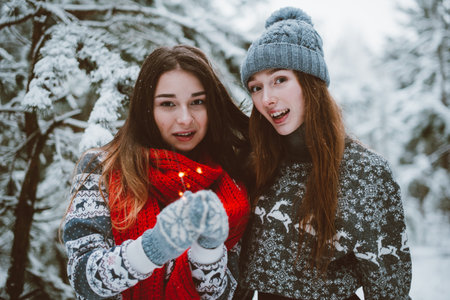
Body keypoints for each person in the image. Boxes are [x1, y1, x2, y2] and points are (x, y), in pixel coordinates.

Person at [235, 7, 412, 300]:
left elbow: (389, 291)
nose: (266, 99)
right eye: (256, 87)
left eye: (280, 79)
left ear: (310, 82)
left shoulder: (365, 173)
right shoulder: (255, 165)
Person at [62, 45, 252, 299]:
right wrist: (153, 248)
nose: (185, 118)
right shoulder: (102, 168)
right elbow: (83, 278)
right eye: (168, 104)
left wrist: (208, 249)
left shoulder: (230, 183)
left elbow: (230, 293)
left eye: (197, 102)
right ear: (146, 109)